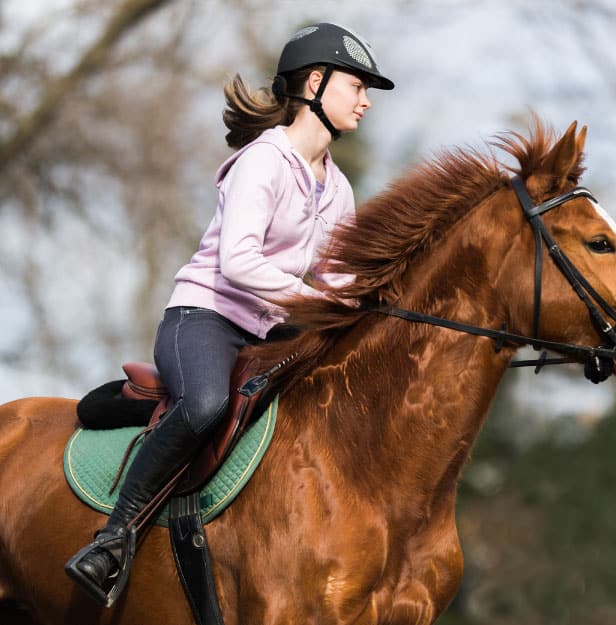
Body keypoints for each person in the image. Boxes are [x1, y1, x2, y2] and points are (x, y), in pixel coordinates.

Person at [64, 22, 394, 607]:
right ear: (315, 83)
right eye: (357, 86)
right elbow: (239, 263)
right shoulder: (263, 161)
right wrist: (316, 297)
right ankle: (113, 538)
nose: (366, 101)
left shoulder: (338, 190)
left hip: (266, 328)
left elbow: (335, 275)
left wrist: (377, 305)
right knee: (207, 404)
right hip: (205, 316)